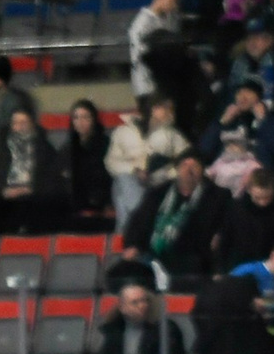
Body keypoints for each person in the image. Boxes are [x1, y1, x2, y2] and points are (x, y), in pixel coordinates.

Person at [121, 153, 228, 280]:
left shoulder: (218, 196)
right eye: (184, 165)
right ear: (177, 169)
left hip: (192, 255)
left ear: (202, 171)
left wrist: (219, 236)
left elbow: (226, 225)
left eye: (194, 166)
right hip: (153, 254)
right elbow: (138, 221)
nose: (189, 170)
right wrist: (133, 244)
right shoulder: (158, 192)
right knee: (122, 272)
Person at [0, 107, 71, 236]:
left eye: (24, 123)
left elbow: (53, 177)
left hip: (35, 194)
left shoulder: (45, 149)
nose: (20, 127)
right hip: (7, 194)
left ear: (32, 124)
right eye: (16, 123)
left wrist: (32, 188)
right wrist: (4, 191)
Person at [106, 97, 190, 238]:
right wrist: (135, 170)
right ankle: (139, 225)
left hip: (160, 183)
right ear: (153, 109)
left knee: (124, 201)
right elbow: (111, 163)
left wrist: (165, 173)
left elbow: (187, 161)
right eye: (166, 109)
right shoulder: (123, 132)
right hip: (130, 181)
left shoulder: (172, 135)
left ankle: (127, 236)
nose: (171, 114)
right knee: (123, 182)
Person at [217, 164, 274, 272]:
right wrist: (221, 270)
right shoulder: (235, 209)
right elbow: (225, 241)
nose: (263, 203)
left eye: (267, 198)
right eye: (258, 198)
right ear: (249, 190)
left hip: (272, 269)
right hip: (239, 267)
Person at [58, 101, 115, 231]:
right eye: (76, 117)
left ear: (94, 119)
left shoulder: (106, 145)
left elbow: (107, 178)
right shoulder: (67, 148)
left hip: (100, 204)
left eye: (85, 117)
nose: (80, 122)